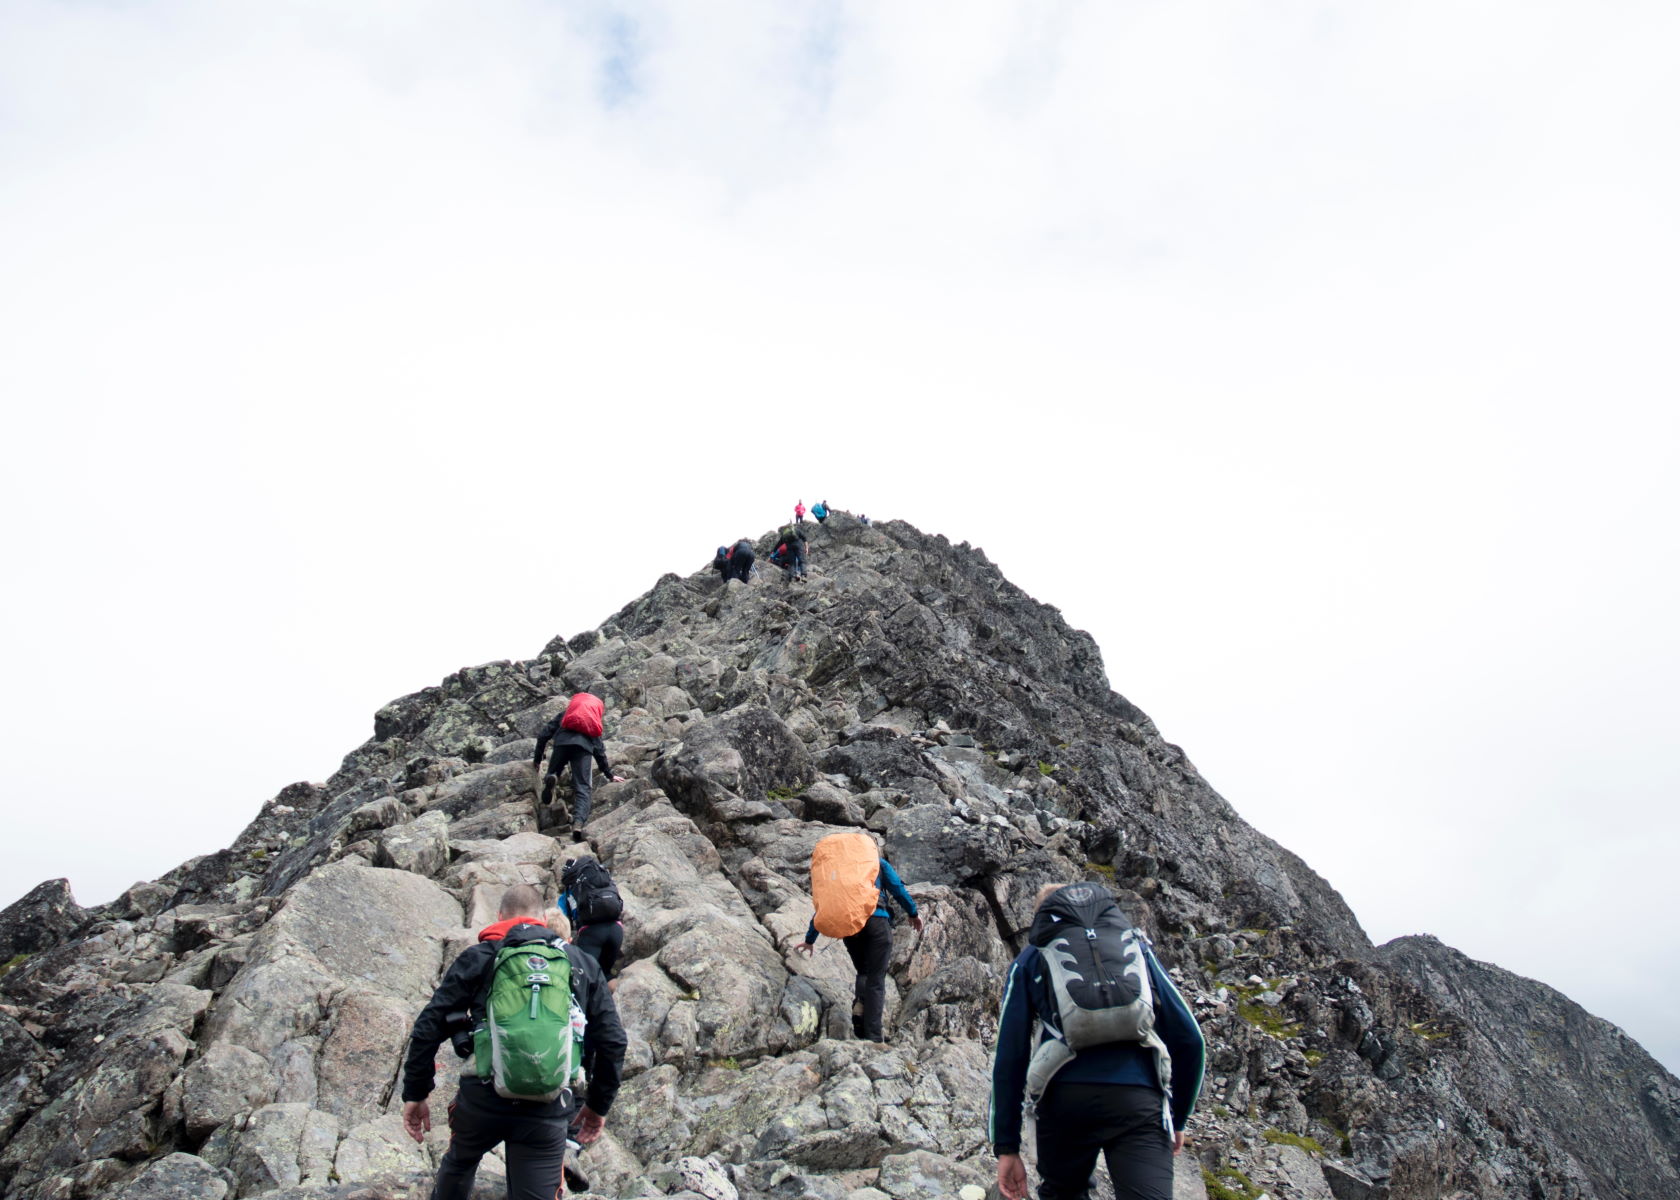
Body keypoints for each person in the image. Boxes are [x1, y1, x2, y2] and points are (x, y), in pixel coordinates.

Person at [401, 884, 627, 1200]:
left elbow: (428, 1026)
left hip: (482, 1100)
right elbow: (613, 1041)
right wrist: (597, 1105)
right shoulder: (578, 962)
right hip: (546, 1106)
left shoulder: (480, 956)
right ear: (542, 920)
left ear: (499, 916)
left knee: (461, 1161)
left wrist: (416, 1093)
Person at [989, 883, 1205, 1200]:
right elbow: (1190, 1039)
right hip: (1138, 1099)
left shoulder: (1031, 957)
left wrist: (1006, 1146)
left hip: (1064, 1099)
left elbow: (1010, 1056)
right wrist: (1177, 1117)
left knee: (1064, 1193)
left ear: (1043, 918)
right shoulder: (1134, 946)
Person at [796, 846, 922, 1042]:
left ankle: (860, 1017)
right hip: (877, 923)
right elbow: (897, 888)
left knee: (863, 971)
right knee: (876, 979)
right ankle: (873, 1037)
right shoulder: (876, 863)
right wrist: (913, 913)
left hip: (850, 926)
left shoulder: (840, 872)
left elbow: (828, 905)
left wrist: (809, 939)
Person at [534, 693, 624, 840]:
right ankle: (578, 822)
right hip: (583, 749)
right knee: (583, 787)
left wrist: (537, 759)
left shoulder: (566, 715)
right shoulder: (591, 721)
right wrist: (609, 774)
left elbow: (543, 735)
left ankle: (552, 777)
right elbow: (599, 751)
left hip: (561, 744)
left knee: (553, 772)